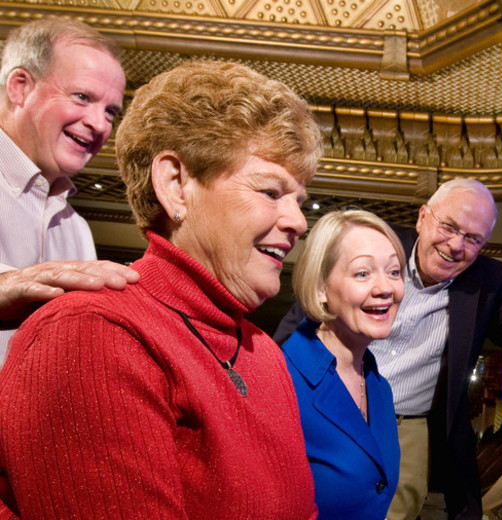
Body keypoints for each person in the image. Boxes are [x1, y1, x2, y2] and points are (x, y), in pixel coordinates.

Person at [0, 60, 322, 519]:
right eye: (272, 192)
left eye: (299, 199)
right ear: (176, 186)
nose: (298, 221)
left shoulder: (264, 353)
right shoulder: (91, 335)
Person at [274, 178, 502, 519]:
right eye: (449, 226)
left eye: (474, 239)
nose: (456, 245)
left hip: (406, 423)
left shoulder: (486, 281)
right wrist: (266, 380)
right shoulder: (378, 246)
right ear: (422, 218)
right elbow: (305, 314)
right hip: (327, 402)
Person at [0, 18, 140, 363]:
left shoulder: (76, 228)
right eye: (82, 97)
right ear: (19, 87)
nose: (99, 124)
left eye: (110, 112)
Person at [282, 209, 405, 519]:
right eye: (362, 273)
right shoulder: (281, 379)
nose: (385, 288)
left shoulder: (379, 387)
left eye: (393, 271)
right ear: (322, 288)